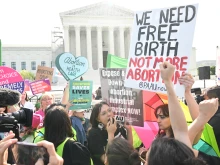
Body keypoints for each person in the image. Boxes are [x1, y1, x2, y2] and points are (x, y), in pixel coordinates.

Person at [144, 61, 220, 165]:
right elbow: (181, 132)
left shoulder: (175, 146)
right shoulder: (180, 151)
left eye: (162, 116)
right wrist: (169, 82)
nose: (158, 120)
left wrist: (186, 91)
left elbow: (181, 132)